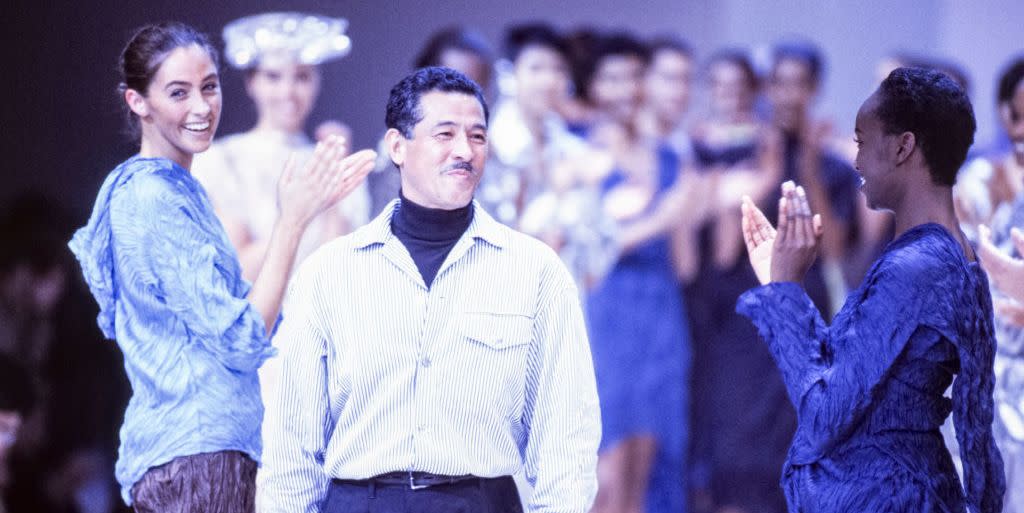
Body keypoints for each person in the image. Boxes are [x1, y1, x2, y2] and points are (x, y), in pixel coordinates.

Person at [258, 66, 600, 513]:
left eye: (477, 136)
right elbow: (290, 443)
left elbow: (566, 437)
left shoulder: (535, 272)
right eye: (445, 134)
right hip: (360, 500)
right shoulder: (328, 273)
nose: (465, 151)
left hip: (480, 500)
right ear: (397, 146)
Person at [68, 22, 375, 511]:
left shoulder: (170, 189)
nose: (201, 106)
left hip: (215, 442)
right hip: (199, 450)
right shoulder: (157, 196)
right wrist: (293, 220)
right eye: (178, 92)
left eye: (209, 87)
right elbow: (243, 336)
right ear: (137, 102)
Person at [737, 67, 1005, 512]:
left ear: (903, 146)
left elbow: (824, 416)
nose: (855, 159)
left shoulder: (916, 267)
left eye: (862, 141)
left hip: (887, 497)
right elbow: (850, 379)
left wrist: (785, 291)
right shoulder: (943, 256)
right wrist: (780, 284)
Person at [575, 33, 691, 513]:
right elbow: (576, 251)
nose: (626, 89)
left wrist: (685, 213)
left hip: (660, 311)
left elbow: (685, 263)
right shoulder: (576, 154)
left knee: (648, 461)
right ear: (595, 87)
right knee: (606, 466)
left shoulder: (669, 158)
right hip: (604, 311)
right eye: (613, 78)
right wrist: (658, 220)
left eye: (634, 77)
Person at [192, 12, 370, 284]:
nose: (288, 91)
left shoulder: (332, 159)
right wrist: (298, 216)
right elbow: (238, 270)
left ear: (316, 82)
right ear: (252, 83)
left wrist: (336, 180)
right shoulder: (222, 160)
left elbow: (340, 275)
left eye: (301, 77)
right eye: (273, 77)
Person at [367, 26, 496, 217]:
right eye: (449, 83)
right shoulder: (401, 149)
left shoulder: (496, 156)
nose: (461, 94)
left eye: (474, 86)